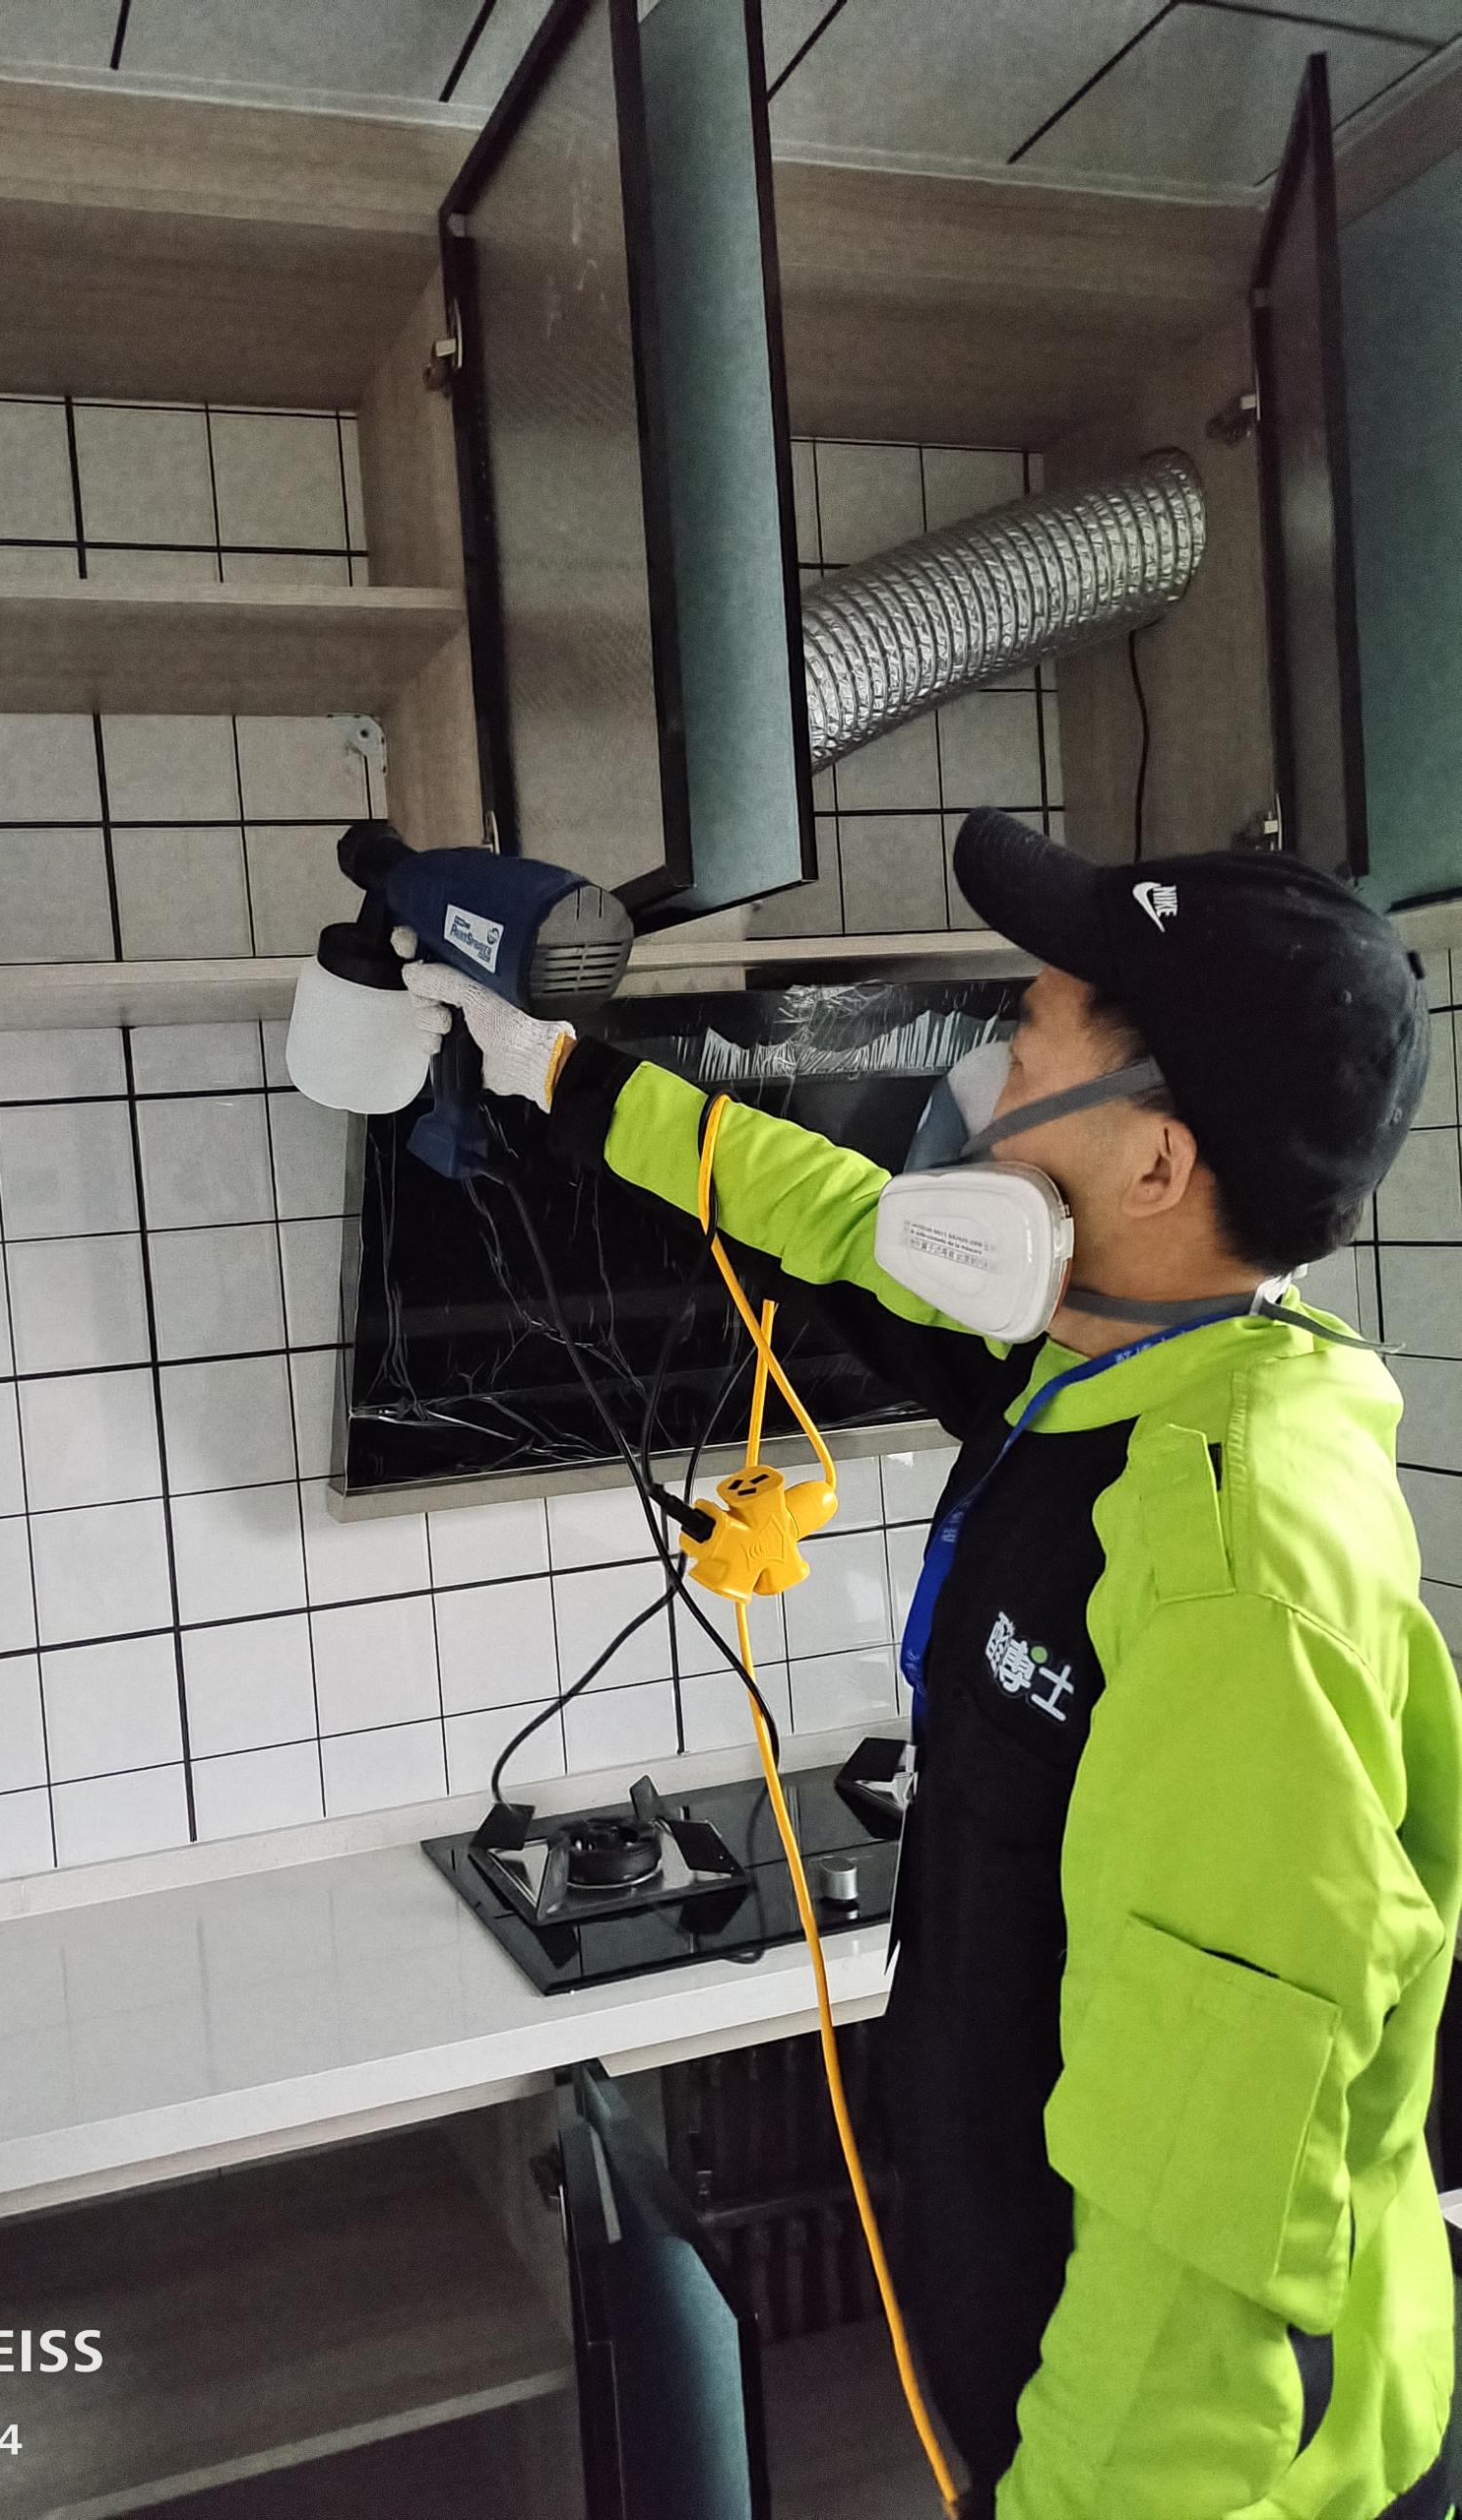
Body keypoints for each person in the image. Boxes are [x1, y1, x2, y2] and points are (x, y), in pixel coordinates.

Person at [404, 808, 1462, 2520]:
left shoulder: (1234, 1566)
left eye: (1026, 1039)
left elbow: (1213, 2199)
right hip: (1052, 2384)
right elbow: (842, 1219)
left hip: (1197, 2473)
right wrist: (564, 1077)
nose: (983, 1078)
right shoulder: (1116, 1365)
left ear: (1157, 1165)